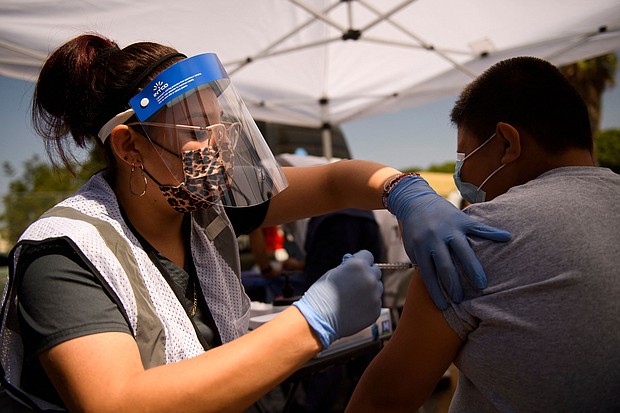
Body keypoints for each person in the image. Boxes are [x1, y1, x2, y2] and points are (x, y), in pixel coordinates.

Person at [0, 33, 510, 413]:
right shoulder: (65, 252)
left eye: (218, 124)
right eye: (196, 130)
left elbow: (333, 183)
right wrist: (312, 321)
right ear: (129, 146)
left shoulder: (202, 206)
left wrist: (402, 191)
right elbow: (118, 403)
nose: (218, 145)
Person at [346, 56, 620, 412]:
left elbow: (383, 401)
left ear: (507, 142)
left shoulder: (478, 235)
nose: (462, 172)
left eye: (463, 155)